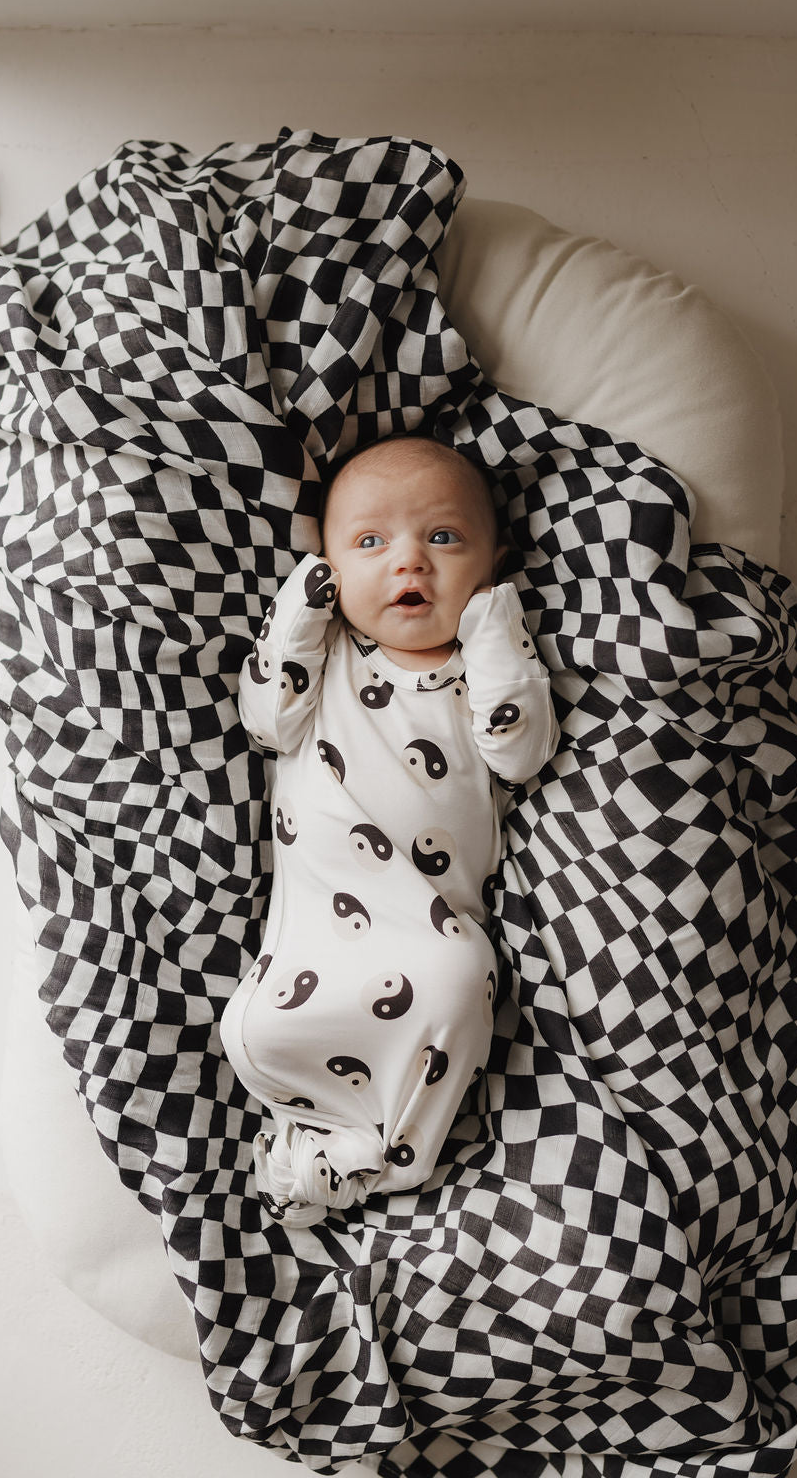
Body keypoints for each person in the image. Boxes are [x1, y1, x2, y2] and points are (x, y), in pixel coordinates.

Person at [219, 434, 559, 1226]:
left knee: (461, 975)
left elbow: (521, 754)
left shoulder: (484, 667)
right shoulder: (329, 650)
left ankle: (389, 1161)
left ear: (494, 562)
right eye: (370, 543)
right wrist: (298, 619)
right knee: (265, 1028)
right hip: (314, 939)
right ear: (329, 566)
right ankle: (325, 1136)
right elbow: (267, 721)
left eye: (443, 538)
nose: (409, 563)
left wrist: (493, 632)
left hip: (427, 924)